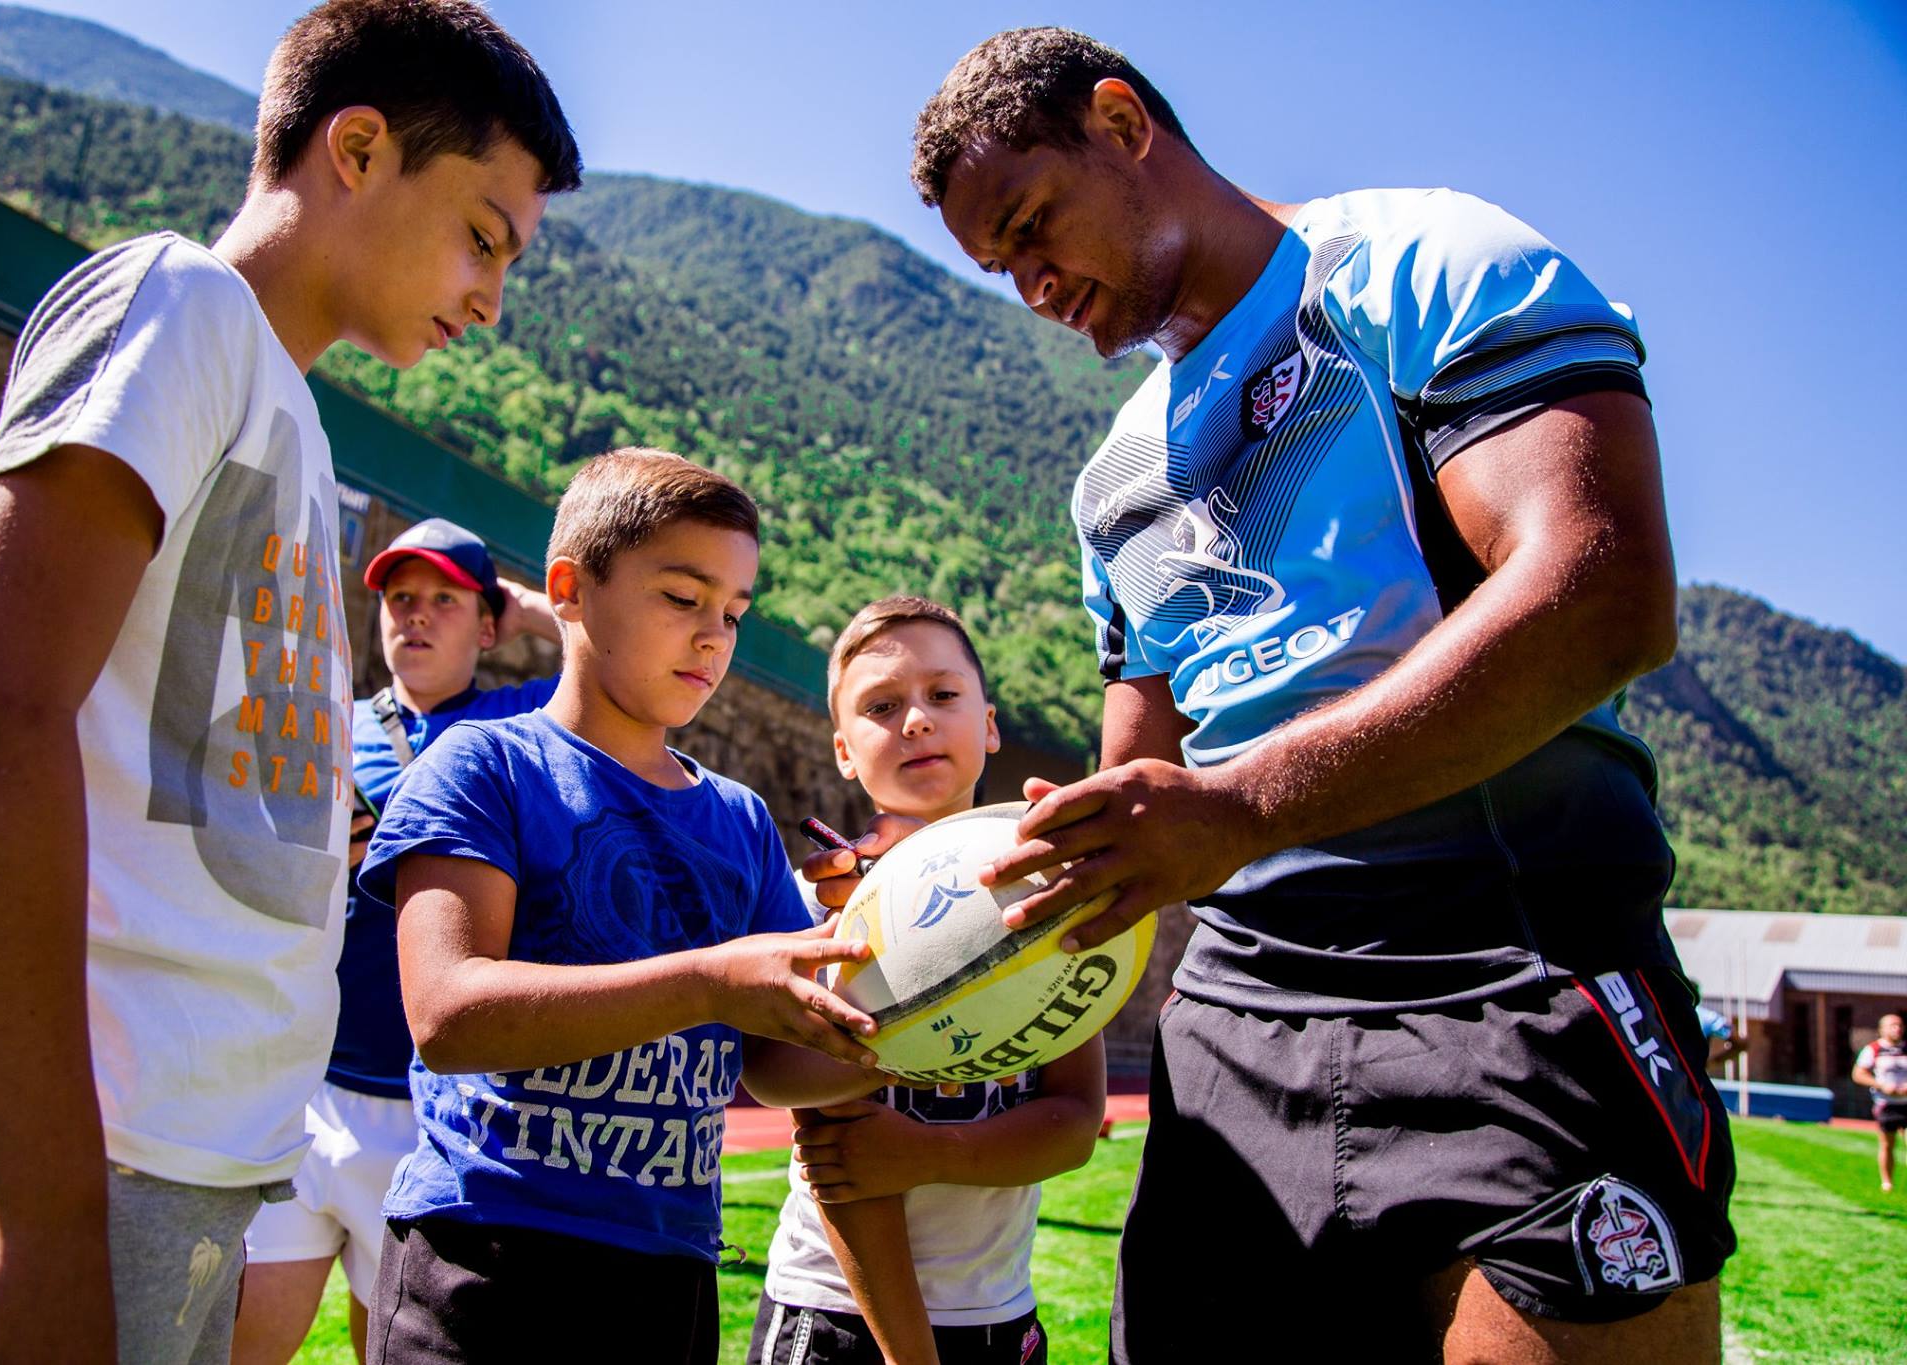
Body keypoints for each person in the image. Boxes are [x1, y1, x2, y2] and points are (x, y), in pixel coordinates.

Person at [811, 27, 1741, 1362]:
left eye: (1032, 228)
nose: (1031, 286)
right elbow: (1149, 782)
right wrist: (987, 880)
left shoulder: (1424, 260)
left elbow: (1601, 591)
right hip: (1242, 1001)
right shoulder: (1111, 484)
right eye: (998, 267)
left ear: (1124, 124)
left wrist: (1240, 805)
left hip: (1507, 942)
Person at [0, 3, 581, 1359]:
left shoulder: (297, 429)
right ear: (357, 149)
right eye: (483, 236)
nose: (492, 296)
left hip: (188, 1170)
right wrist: (47, 1222)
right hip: (55, 1154)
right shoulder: (176, 302)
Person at [356, 449, 885, 1365]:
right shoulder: (482, 768)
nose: (714, 636)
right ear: (569, 588)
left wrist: (904, 1036)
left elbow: (769, 1061)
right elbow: (447, 1013)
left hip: (668, 1273)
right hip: (485, 1259)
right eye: (683, 598)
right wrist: (712, 981)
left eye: (733, 612)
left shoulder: (740, 820)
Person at [233, 517, 561, 1364]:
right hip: (304, 1089)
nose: (414, 616)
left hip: (432, 1111)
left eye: (444, 601)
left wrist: (525, 607)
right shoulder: (325, 723)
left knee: (389, 1347)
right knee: (239, 1341)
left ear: (486, 626)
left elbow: (607, 655)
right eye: (400, 598)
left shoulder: (516, 725)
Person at [751, 596, 1104, 1365]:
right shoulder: (823, 906)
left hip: (999, 1312)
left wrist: (935, 1154)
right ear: (844, 750)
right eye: (882, 705)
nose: (916, 719)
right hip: (835, 1310)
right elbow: (801, 1106)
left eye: (943, 695)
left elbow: (1076, 1120)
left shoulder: (1049, 892)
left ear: (989, 725)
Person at [1852, 1013, 1907, 1193]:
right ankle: (1887, 1182)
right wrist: (1881, 1085)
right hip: (1886, 1103)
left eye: (1899, 1025)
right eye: (1892, 1025)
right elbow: (1858, 1074)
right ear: (1881, 1029)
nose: (1897, 1028)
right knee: (1887, 1144)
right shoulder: (1873, 1049)